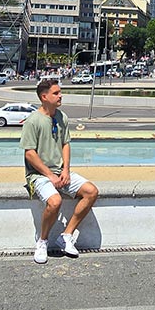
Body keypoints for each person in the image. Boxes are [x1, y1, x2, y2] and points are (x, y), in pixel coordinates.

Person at [21, 78, 99, 264]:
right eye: (56, 93)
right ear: (44, 97)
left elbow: (65, 144)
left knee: (91, 191)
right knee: (55, 201)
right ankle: (42, 241)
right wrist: (50, 175)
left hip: (60, 172)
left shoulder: (62, 117)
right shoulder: (32, 121)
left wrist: (66, 170)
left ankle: (66, 235)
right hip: (38, 175)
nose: (60, 96)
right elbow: (30, 154)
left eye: (60, 92)